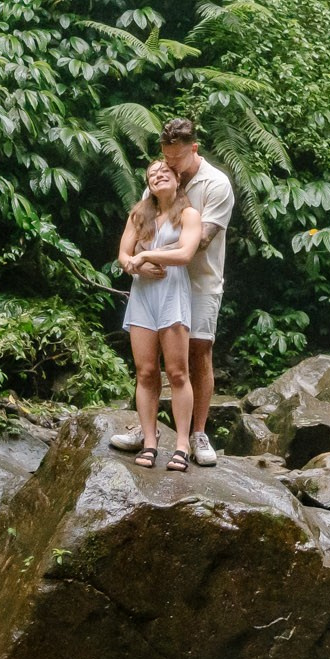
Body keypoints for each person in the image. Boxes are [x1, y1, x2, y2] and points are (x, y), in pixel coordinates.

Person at [110, 159, 201, 472]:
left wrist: (147, 254)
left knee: (177, 372)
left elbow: (186, 253)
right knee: (146, 371)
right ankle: (150, 442)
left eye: (164, 172)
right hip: (143, 295)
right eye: (152, 174)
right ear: (147, 184)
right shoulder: (139, 215)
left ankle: (182, 445)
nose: (158, 176)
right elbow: (123, 255)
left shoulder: (189, 215)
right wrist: (137, 264)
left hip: (173, 294)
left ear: (177, 179)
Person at [160, 117, 233, 466]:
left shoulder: (217, 183)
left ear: (194, 149)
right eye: (167, 157)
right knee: (156, 354)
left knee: (199, 352)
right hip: (162, 279)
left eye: (178, 159)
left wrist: (177, 194)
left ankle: (198, 432)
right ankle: (148, 427)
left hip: (202, 280)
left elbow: (201, 241)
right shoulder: (160, 175)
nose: (171, 164)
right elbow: (144, 220)